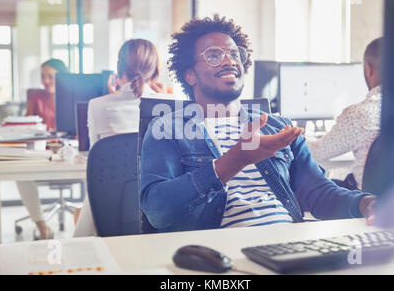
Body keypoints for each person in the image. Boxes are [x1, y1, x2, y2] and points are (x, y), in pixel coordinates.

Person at [139, 14, 376, 233]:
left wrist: (365, 203)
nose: (229, 61)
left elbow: (320, 194)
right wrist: (236, 159)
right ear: (190, 75)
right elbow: (158, 211)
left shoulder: (277, 127)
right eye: (213, 56)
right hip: (215, 258)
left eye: (234, 54)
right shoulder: (168, 129)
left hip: (285, 245)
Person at [73, 38, 171, 236]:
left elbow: (97, 158)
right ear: (155, 70)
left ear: (118, 68)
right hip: (160, 205)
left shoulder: (98, 105)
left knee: (81, 234)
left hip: (109, 204)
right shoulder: (171, 104)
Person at [307, 38, 383, 190]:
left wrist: (290, 137)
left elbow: (317, 153)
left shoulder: (360, 114)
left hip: (369, 205)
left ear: (369, 69)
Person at [16, 59, 69, 240]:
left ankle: (89, 227)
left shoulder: (73, 96)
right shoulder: (36, 98)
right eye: (42, 77)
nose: (45, 81)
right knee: (21, 175)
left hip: (69, 156)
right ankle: (42, 226)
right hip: (42, 156)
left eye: (49, 76)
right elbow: (25, 130)